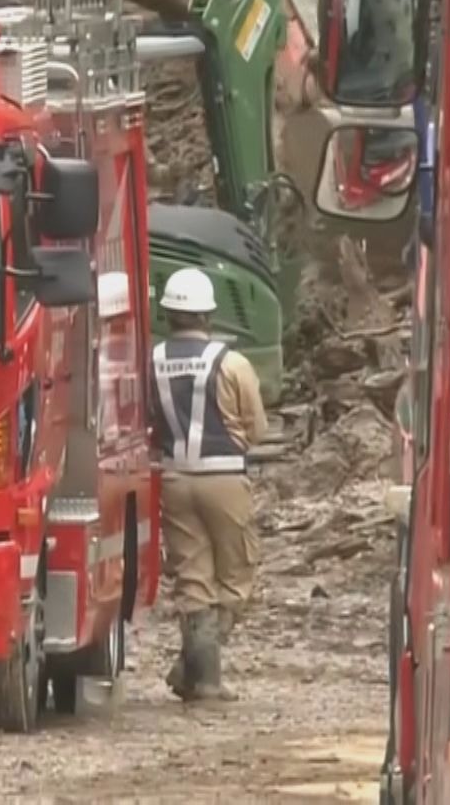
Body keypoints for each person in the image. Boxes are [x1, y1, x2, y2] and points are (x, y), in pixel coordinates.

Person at [148, 267, 265, 702]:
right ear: (208, 314)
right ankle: (197, 668)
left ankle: (200, 677)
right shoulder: (231, 363)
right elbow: (256, 425)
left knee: (193, 578)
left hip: (175, 478)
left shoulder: (153, 360)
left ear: (169, 314)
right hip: (223, 477)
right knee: (237, 575)